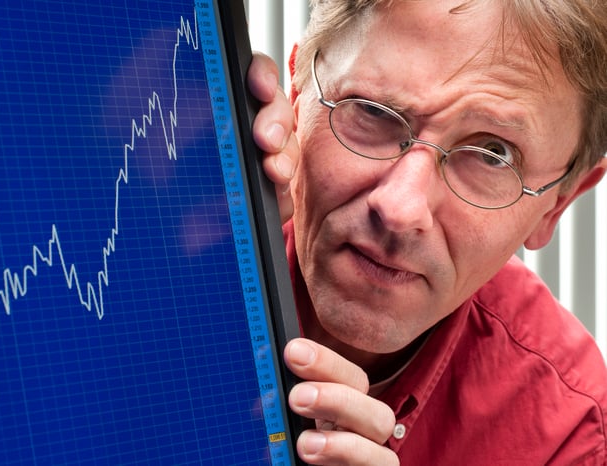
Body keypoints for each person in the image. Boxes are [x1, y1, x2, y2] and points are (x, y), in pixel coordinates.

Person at [247, 0, 607, 464]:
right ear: (297, 93)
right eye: (373, 111)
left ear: (556, 205)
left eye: (493, 155)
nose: (400, 209)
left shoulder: (569, 431)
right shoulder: (160, 243)